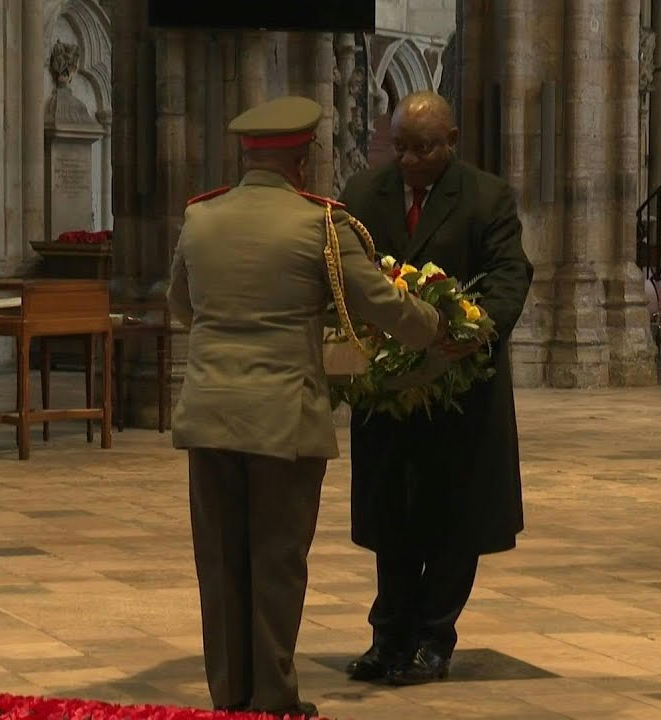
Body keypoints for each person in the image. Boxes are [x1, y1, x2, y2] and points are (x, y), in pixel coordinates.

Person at [166, 95, 445, 719]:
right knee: (276, 563)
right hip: (282, 420)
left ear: (248, 155)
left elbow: (180, 303)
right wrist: (437, 325)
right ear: (304, 156)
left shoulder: (201, 218)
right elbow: (378, 303)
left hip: (208, 414)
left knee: (220, 565)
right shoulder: (320, 224)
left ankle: (229, 698)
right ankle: (274, 699)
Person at [337, 90, 534, 685]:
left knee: (454, 519)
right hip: (388, 391)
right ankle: (387, 635)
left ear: (450, 141)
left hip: (460, 388)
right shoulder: (360, 196)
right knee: (390, 517)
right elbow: (343, 273)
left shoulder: (485, 196)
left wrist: (475, 329)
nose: (409, 161)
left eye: (423, 148)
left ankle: (432, 640)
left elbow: (509, 275)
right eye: (399, 147)